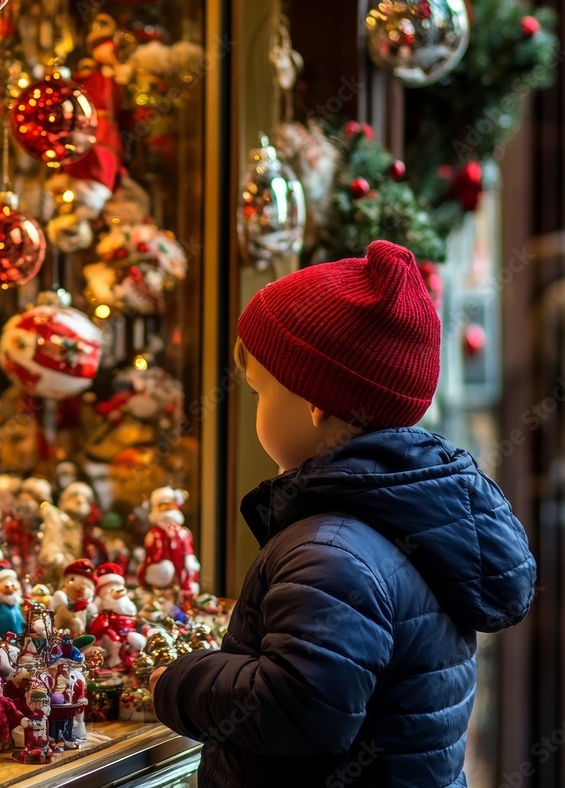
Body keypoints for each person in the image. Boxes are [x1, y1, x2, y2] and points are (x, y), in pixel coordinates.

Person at [151, 240, 536, 788]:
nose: (256, 408)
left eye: (261, 391)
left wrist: (176, 681)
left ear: (315, 404)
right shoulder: (409, 518)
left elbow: (299, 709)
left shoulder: (330, 547)